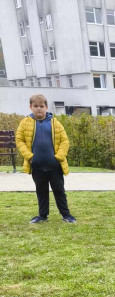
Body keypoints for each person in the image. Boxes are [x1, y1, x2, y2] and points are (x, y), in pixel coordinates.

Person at [15, 93, 76, 224]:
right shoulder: (25, 123)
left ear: (46, 107)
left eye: (41, 106)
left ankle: (66, 215)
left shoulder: (55, 123)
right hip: (37, 165)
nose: (39, 109)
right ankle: (42, 215)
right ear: (30, 107)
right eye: (35, 106)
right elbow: (19, 140)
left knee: (59, 191)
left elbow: (65, 141)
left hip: (54, 166)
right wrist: (29, 156)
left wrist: (58, 157)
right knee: (41, 191)